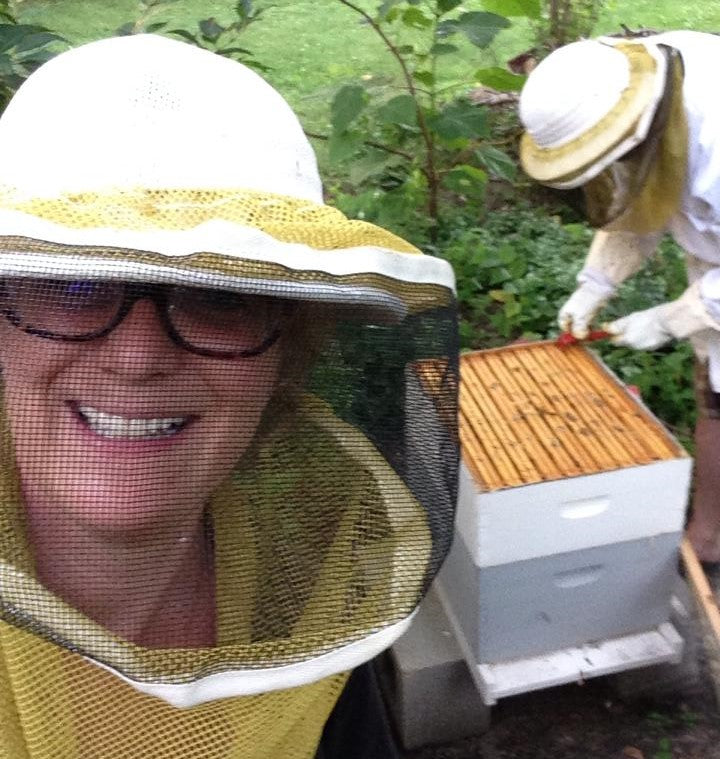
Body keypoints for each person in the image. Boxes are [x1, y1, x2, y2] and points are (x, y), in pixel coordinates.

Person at [0, 34, 459, 758]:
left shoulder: (316, 585)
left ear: (289, 350)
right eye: (71, 286)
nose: (140, 356)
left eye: (218, 296)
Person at [517, 30, 720, 564]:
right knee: (717, 390)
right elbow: (644, 191)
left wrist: (680, 315)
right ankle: (710, 534)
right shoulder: (620, 84)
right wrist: (596, 283)